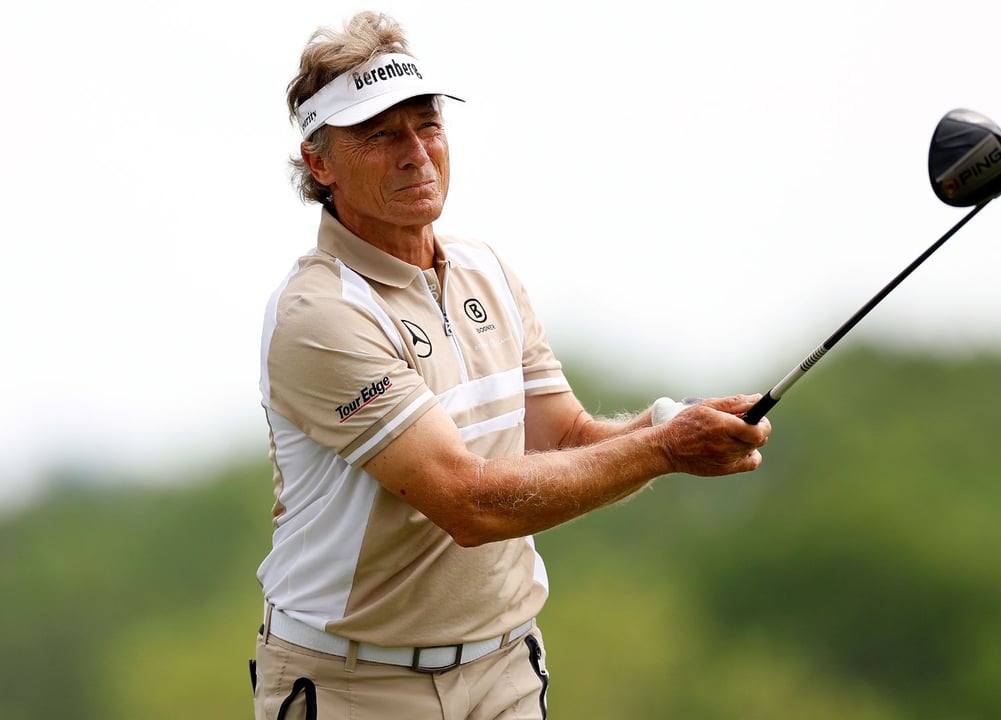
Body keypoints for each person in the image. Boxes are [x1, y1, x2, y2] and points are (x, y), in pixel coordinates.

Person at [251, 11, 772, 719]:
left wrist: (672, 424)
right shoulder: (319, 314)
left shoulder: (484, 271)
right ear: (320, 162)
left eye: (426, 124)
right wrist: (664, 451)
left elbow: (560, 441)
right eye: (379, 135)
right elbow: (467, 501)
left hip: (505, 674)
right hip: (354, 687)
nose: (415, 153)